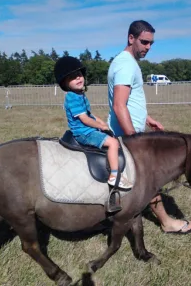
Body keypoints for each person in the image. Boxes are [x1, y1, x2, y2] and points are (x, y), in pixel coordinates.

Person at [107, 20, 191, 234]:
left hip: (130, 131)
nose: (148, 47)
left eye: (151, 43)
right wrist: (134, 139)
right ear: (131, 38)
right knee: (150, 179)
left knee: (144, 179)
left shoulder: (125, 62)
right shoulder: (125, 64)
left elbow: (128, 102)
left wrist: (147, 118)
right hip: (127, 135)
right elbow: (119, 105)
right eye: (144, 42)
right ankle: (166, 222)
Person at [54, 56, 133, 191]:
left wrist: (101, 122)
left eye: (79, 75)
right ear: (65, 83)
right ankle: (114, 176)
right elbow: (84, 119)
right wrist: (101, 126)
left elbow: (89, 114)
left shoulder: (79, 94)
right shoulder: (72, 97)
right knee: (113, 143)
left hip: (87, 130)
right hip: (82, 133)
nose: (78, 78)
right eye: (73, 77)